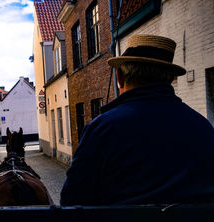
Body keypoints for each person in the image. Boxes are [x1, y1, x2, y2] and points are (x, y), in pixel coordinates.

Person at [60, 35, 214, 206]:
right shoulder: (203, 127)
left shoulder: (102, 129)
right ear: (170, 78)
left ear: (119, 77)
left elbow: (72, 201)